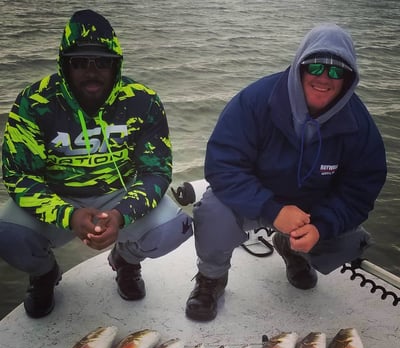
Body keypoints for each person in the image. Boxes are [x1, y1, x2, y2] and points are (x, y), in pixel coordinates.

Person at [185, 23, 387, 321]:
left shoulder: (359, 125)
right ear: (299, 67)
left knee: (352, 240)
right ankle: (211, 278)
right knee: (213, 211)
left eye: (336, 72)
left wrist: (320, 226)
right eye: (316, 67)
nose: (323, 78)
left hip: (310, 211)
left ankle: (292, 249)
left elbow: (361, 190)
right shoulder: (255, 100)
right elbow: (223, 164)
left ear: (348, 80)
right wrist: (272, 209)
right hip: (257, 198)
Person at [0, 9, 192, 318]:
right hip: (57, 197)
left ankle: (126, 261)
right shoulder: (33, 103)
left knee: (176, 229)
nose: (92, 71)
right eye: (80, 62)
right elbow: (19, 175)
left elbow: (155, 171)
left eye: (102, 62)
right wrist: (68, 215)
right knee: (7, 234)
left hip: (119, 194)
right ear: (65, 64)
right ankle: (45, 273)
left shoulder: (143, 100)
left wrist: (121, 215)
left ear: (116, 65)